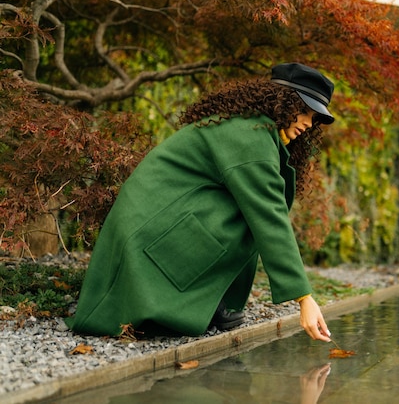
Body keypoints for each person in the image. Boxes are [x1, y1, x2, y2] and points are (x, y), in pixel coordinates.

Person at [66, 63, 334, 342]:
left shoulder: (250, 127)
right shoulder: (249, 135)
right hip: (147, 233)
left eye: (314, 118)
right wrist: (304, 298)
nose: (307, 123)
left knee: (245, 213)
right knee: (252, 214)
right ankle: (174, 307)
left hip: (156, 226)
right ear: (282, 102)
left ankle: (207, 303)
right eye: (304, 111)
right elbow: (269, 214)